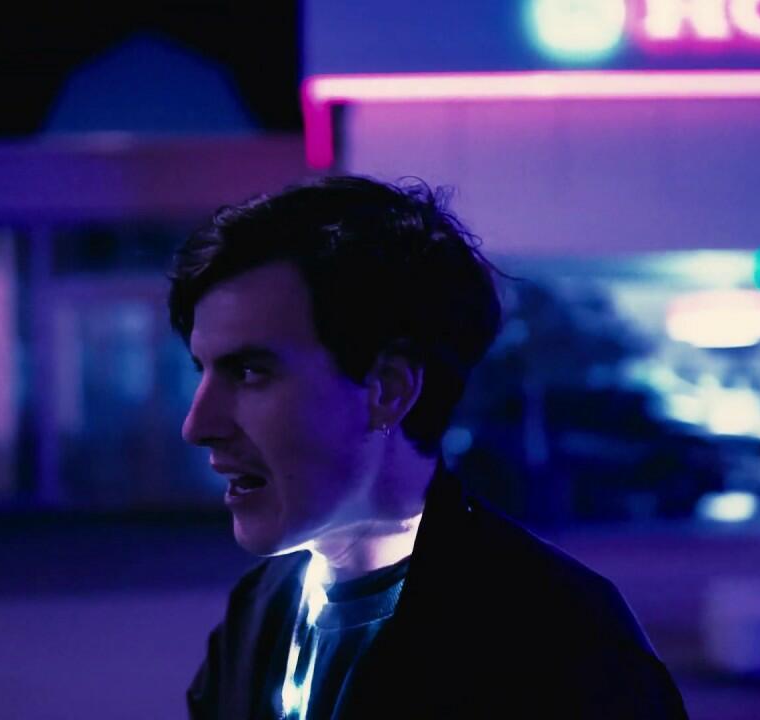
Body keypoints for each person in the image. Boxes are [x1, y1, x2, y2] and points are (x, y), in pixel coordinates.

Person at [168, 176, 687, 718]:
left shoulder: (557, 646)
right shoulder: (256, 617)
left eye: (250, 372)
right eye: (203, 371)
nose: (198, 425)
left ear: (387, 390)